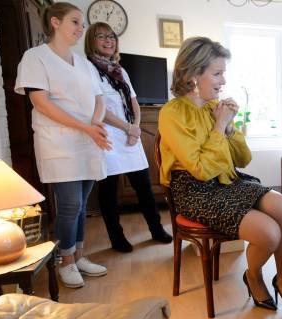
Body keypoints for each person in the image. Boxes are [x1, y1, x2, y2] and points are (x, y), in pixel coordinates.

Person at [158, 37, 282, 319]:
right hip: (194, 190)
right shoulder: (172, 113)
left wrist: (227, 127)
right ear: (192, 75)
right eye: (217, 73)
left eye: (223, 72)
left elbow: (243, 158)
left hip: (228, 180)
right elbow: (200, 169)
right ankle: (253, 276)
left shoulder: (215, 107)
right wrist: (220, 124)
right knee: (269, 234)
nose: (223, 80)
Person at [15, 2, 111, 288]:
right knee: (69, 204)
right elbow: (40, 102)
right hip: (59, 142)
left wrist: (94, 124)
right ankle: (65, 261)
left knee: (82, 205)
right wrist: (86, 127)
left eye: (82, 24)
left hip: (87, 141)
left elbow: (100, 99)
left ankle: (79, 255)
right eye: (75, 22)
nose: (81, 28)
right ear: (55, 22)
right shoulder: (35, 57)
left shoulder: (83, 63)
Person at [84, 22, 172, 252]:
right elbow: (98, 105)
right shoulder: (87, 69)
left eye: (111, 36)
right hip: (107, 135)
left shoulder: (120, 70)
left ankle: (156, 229)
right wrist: (127, 127)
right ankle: (117, 237)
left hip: (129, 134)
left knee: (143, 186)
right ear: (91, 41)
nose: (108, 40)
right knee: (109, 191)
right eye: (101, 36)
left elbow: (133, 100)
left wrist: (135, 126)